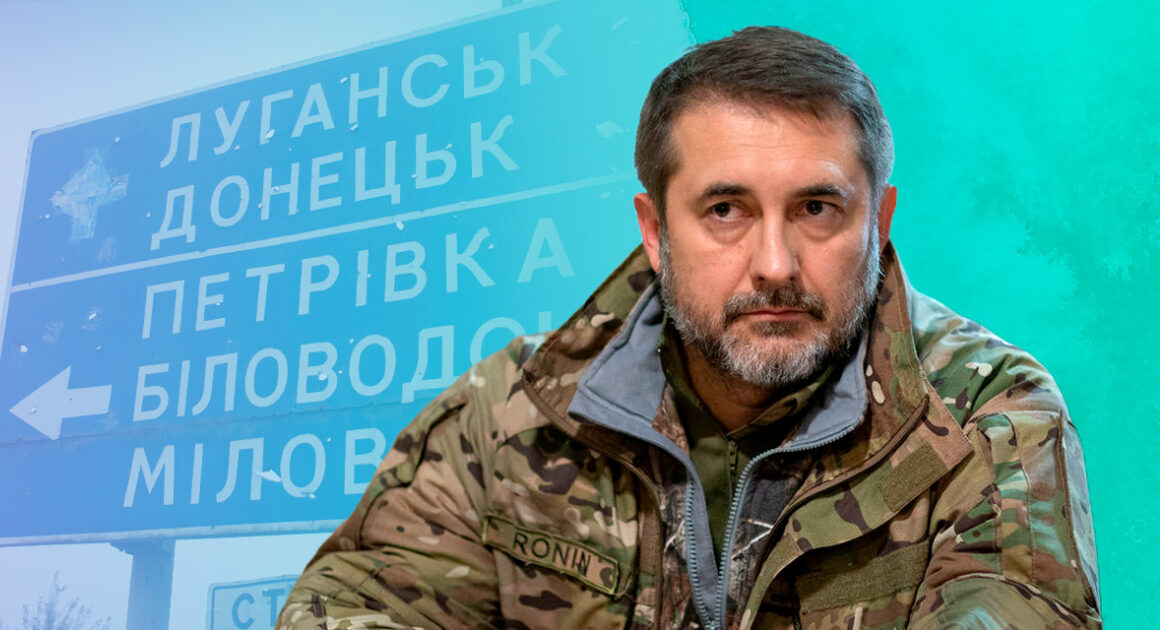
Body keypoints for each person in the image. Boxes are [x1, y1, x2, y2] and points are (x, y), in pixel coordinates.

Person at [276, 26, 1100, 630]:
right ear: (654, 230)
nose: (774, 264)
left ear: (877, 223)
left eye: (817, 208)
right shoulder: (511, 412)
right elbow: (353, 605)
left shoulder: (988, 417)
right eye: (726, 210)